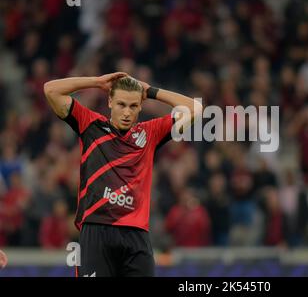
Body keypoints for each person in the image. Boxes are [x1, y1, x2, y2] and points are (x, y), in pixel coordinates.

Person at [43, 73, 202, 277]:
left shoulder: (150, 133)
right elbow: (50, 89)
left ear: (140, 106)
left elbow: (195, 109)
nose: (127, 112)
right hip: (96, 230)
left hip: (136, 235)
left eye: (133, 106)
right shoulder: (90, 125)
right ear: (109, 101)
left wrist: (151, 91)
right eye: (121, 104)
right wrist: (97, 82)